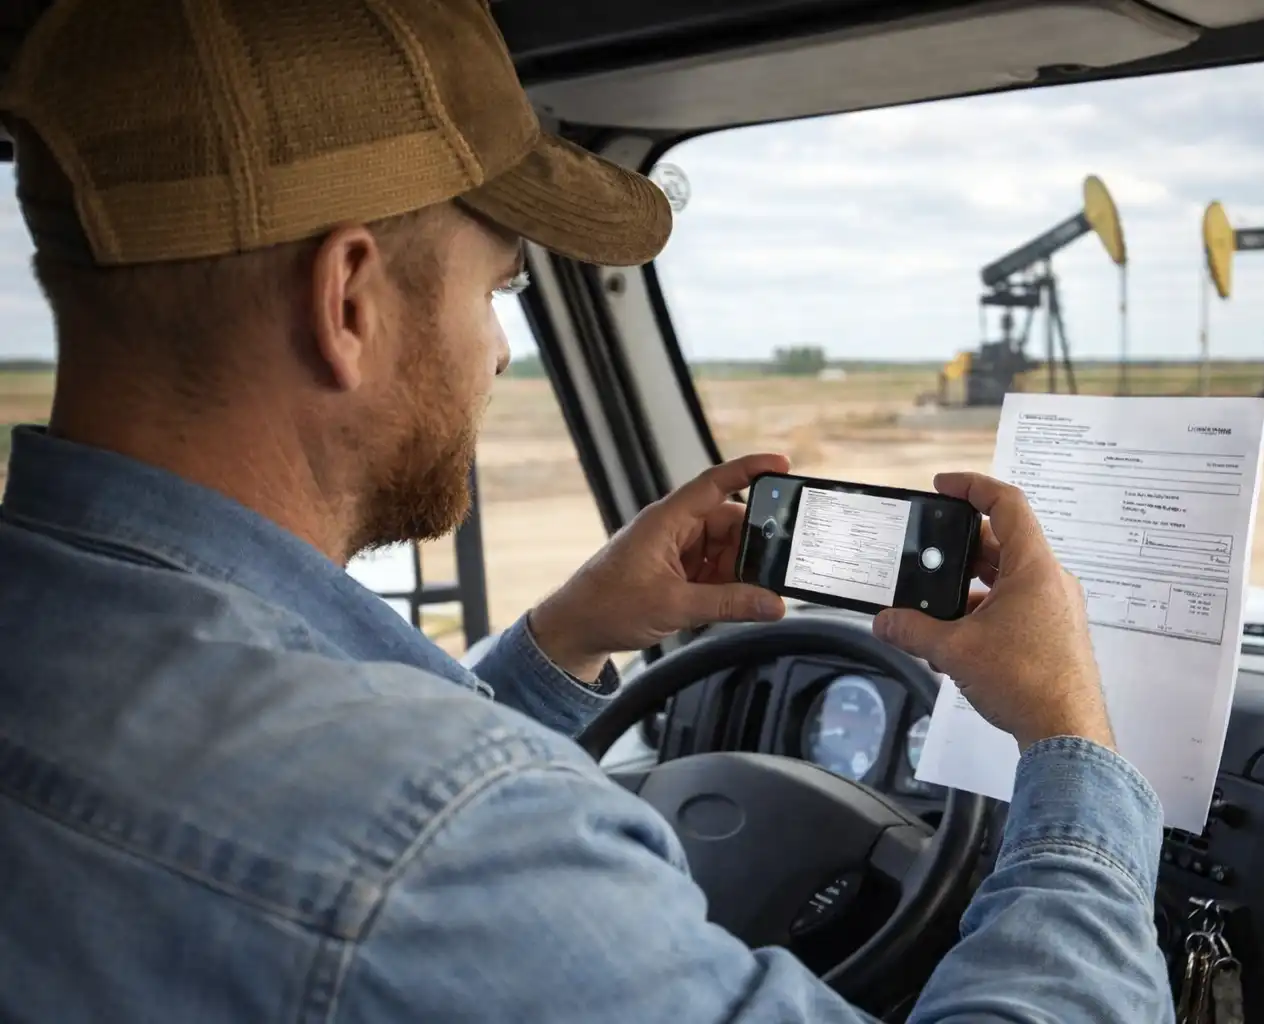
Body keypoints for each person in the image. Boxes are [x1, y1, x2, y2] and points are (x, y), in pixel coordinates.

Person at [0, 1, 1172, 1021]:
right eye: (499, 292)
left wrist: (566, 638)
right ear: (347, 299)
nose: (499, 354)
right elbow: (397, 845)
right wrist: (1071, 746)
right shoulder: (451, 847)